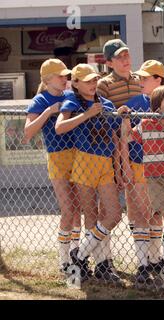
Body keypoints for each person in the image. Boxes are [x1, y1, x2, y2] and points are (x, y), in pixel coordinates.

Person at [55, 64, 123, 283]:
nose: (92, 84)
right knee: (91, 217)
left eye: (94, 80)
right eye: (87, 80)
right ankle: (101, 265)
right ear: (75, 83)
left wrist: (119, 167)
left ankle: (80, 254)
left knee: (113, 214)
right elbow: (60, 127)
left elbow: (116, 136)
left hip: (105, 164)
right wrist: (86, 114)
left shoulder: (106, 103)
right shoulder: (73, 101)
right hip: (83, 162)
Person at [120, 85, 164, 292]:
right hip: (155, 179)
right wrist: (125, 118)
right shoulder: (146, 123)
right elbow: (127, 137)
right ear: (156, 106)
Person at [23, 58, 81, 274]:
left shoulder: (69, 94)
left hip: (77, 156)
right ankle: (63, 259)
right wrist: (49, 111)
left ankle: (77, 256)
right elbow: (28, 133)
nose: (65, 79)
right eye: (61, 76)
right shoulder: (40, 99)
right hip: (57, 158)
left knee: (77, 211)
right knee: (67, 209)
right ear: (47, 80)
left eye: (66, 75)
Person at [96, 39, 142, 271]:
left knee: (141, 204)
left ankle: (146, 261)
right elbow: (101, 114)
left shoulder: (139, 80)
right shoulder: (103, 84)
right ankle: (104, 260)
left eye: (127, 55)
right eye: (119, 57)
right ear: (109, 62)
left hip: (138, 147)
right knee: (109, 206)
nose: (125, 60)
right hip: (113, 148)